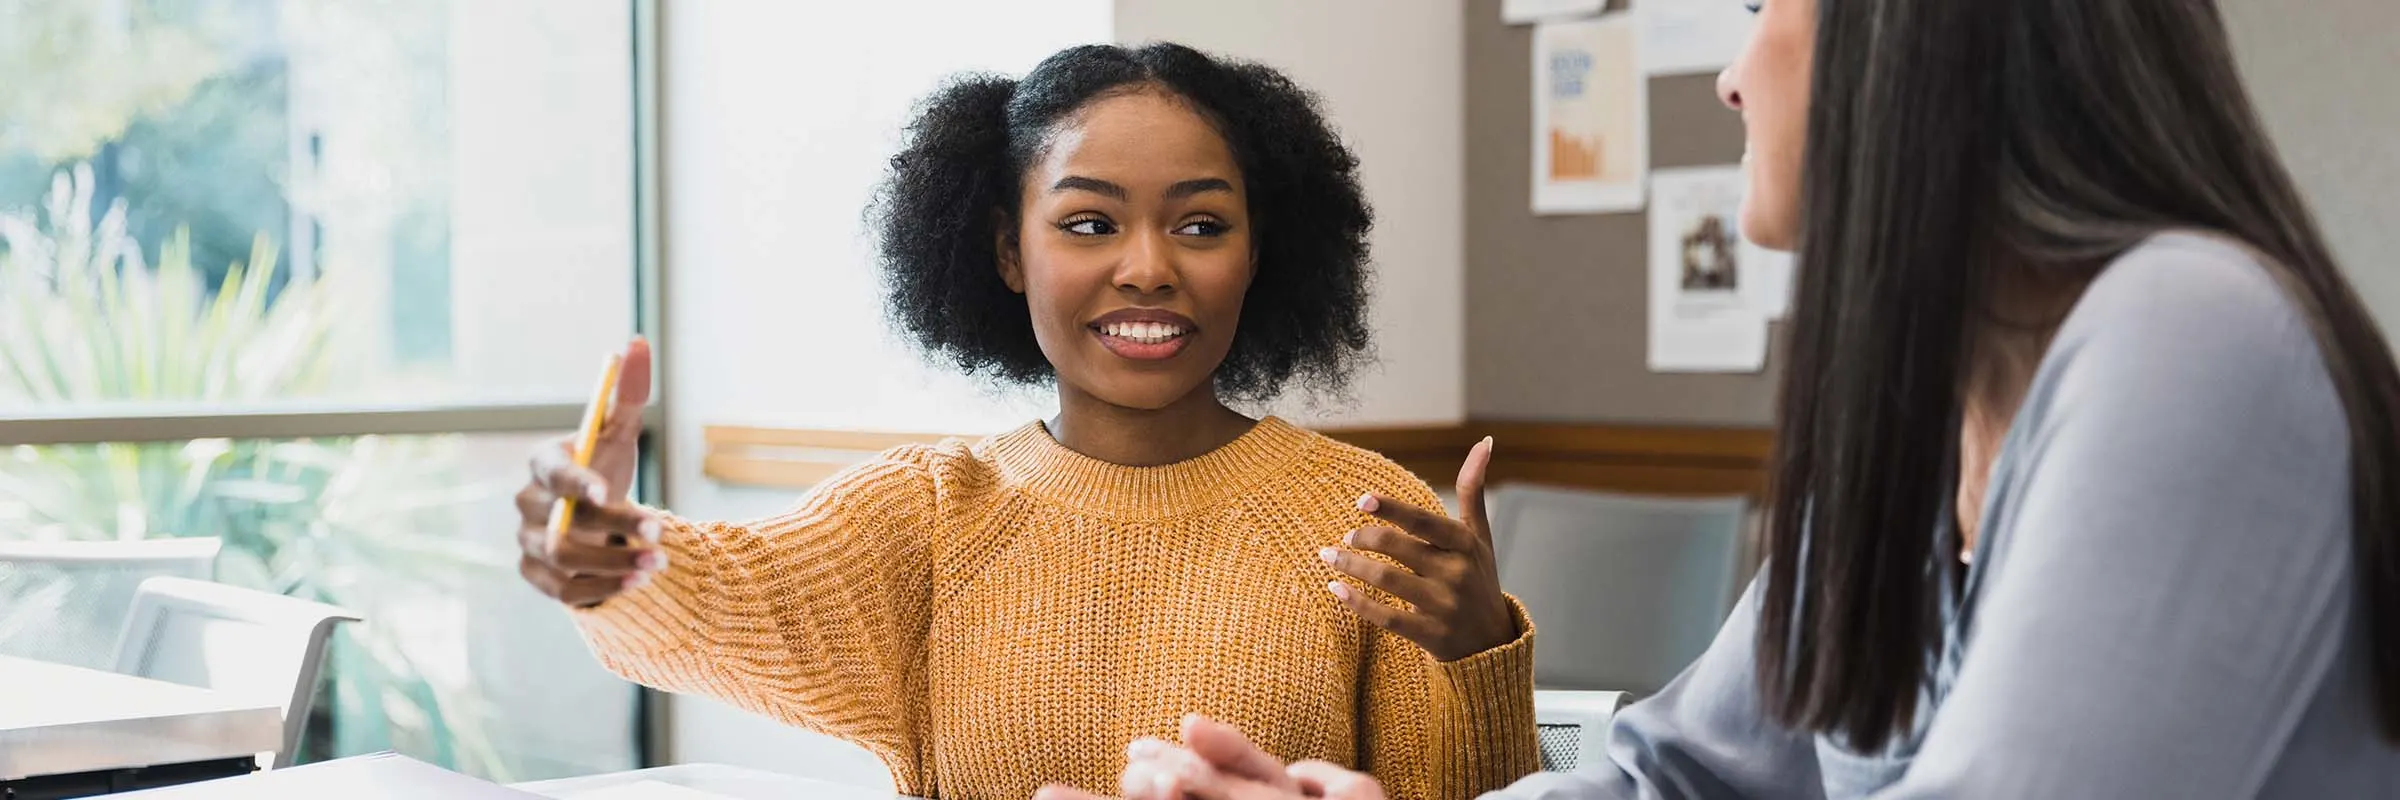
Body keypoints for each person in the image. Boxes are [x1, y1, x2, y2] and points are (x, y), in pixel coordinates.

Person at [1065, 0, 2400, 797]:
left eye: (1765, 2)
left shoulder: (2191, 335)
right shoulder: (1916, 440)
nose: (1729, 72)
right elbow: (1679, 776)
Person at [508, 43, 1541, 800]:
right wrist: (606, 551)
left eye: (1201, 224)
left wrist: (1479, 651)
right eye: (1089, 222)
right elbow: (716, 593)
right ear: (1008, 252)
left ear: (1260, 252)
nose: (1147, 266)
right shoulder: (927, 514)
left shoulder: (1369, 518)